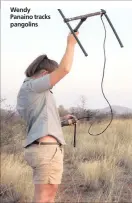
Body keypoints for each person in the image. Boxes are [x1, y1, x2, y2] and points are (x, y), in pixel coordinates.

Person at [16, 32, 79, 203]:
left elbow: (41, 120)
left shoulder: (30, 91)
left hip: (42, 148)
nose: (53, 83)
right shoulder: (33, 86)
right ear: (44, 74)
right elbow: (64, 69)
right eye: (52, 78)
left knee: (45, 199)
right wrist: (71, 44)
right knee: (45, 199)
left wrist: (63, 121)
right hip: (46, 150)